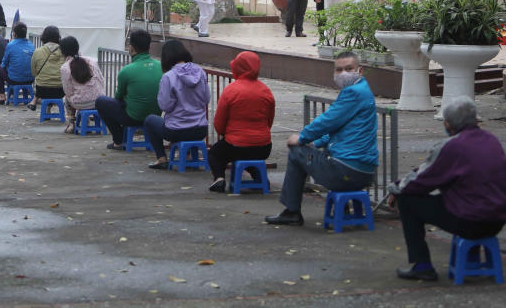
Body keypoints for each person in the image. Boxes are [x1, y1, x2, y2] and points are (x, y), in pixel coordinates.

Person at [389, 97, 506, 281]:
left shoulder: (453, 146)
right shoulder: (492, 141)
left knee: (408, 200)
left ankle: (423, 265)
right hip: (497, 220)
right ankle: (472, 259)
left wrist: (396, 189)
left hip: (469, 220)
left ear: (448, 124)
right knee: (469, 195)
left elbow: (422, 180)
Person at [265, 51, 378, 225]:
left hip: (347, 170)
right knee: (317, 153)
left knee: (296, 152)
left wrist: (302, 138)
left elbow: (328, 121)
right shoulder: (363, 91)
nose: (343, 74)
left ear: (360, 71)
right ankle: (342, 207)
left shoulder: (354, 93)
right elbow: (337, 127)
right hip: (364, 171)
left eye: (349, 69)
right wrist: (315, 142)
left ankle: (291, 211)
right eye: (339, 70)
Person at [207, 51, 275, 193]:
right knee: (252, 156)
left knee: (215, 153)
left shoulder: (231, 90)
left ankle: (219, 179)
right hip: (263, 146)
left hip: (236, 145)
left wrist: (227, 133)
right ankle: (260, 180)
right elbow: (269, 120)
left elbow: (219, 123)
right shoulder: (266, 90)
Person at [142, 41, 209, 169]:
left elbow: (165, 106)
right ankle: (188, 155)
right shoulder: (200, 72)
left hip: (177, 131)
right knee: (177, 123)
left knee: (150, 120)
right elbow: (206, 99)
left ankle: (161, 158)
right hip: (200, 130)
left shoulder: (168, 77)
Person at [95, 29, 162, 150]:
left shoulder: (127, 70)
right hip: (155, 117)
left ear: (131, 48)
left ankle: (118, 141)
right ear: (149, 47)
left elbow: (118, 96)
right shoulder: (161, 67)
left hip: (134, 118)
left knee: (101, 101)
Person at [59, 36, 105, 134]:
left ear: (63, 52)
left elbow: (68, 91)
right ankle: (92, 123)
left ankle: (72, 123)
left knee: (66, 99)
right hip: (99, 101)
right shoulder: (92, 61)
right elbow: (101, 80)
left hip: (80, 104)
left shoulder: (65, 67)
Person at [0, 22, 34, 105]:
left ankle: (2, 97)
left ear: (14, 33)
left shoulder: (11, 45)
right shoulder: (31, 45)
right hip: (30, 79)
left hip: (14, 79)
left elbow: (4, 63)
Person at [28, 25, 65, 111]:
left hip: (42, 89)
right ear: (58, 37)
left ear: (43, 37)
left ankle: (44, 108)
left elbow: (34, 72)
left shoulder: (37, 51)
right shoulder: (64, 52)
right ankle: (47, 108)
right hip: (60, 90)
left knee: (44, 81)